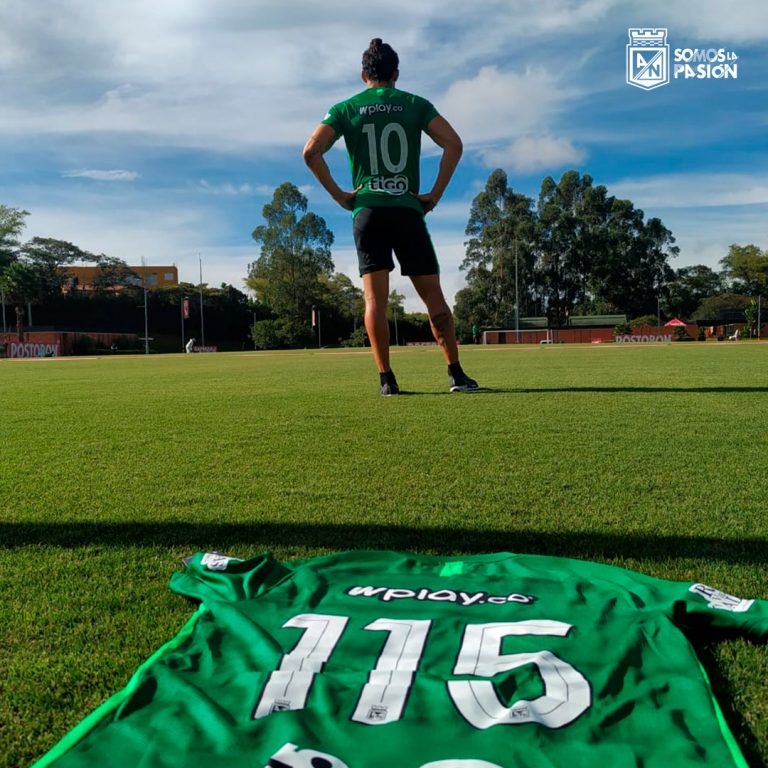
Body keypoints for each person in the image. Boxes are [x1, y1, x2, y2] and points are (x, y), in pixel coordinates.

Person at [303, 38, 478, 396]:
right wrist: (434, 194)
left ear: (363, 73)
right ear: (396, 73)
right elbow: (454, 144)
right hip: (406, 211)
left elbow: (311, 152)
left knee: (374, 303)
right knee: (434, 298)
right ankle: (456, 375)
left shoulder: (345, 108)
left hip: (367, 212)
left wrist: (340, 196)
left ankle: (387, 381)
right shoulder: (415, 105)